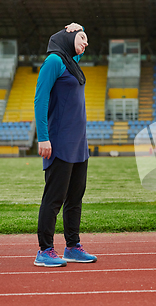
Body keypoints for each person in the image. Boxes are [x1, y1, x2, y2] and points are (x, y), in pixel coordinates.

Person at [33, 23, 97, 267]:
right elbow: (40, 98)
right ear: (68, 39)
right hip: (59, 141)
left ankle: (72, 246)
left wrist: (79, 27)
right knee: (54, 198)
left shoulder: (72, 62)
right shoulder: (54, 62)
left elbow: (77, 45)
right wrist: (43, 137)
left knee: (75, 198)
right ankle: (45, 250)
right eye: (82, 37)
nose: (86, 42)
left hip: (79, 144)